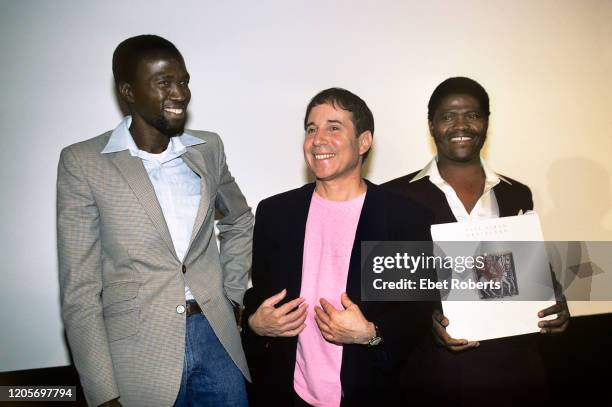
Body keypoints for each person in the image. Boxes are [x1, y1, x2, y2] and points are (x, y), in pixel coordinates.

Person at [57, 35, 253, 407]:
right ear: (128, 91)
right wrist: (102, 393)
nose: (179, 93)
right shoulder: (83, 163)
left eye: (183, 81)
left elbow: (239, 220)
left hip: (217, 342)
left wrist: (232, 296)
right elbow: (79, 292)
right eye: (164, 83)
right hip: (140, 355)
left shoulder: (207, 148)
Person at [383, 76, 570, 405]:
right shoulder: (395, 196)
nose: (461, 125)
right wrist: (426, 321)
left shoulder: (516, 192)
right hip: (434, 376)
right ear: (431, 125)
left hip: (515, 370)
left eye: (472, 114)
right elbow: (388, 288)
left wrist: (556, 302)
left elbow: (529, 273)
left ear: (486, 122)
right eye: (447, 116)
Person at [242, 88, 432, 406]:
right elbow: (259, 297)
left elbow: (413, 313)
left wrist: (370, 333)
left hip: (367, 392)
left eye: (333, 127)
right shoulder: (276, 213)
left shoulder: (398, 218)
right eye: (311, 129)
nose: (318, 139)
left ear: (363, 141)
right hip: (286, 394)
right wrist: (254, 324)